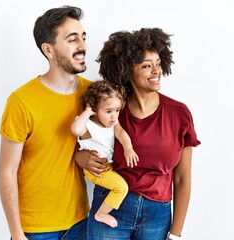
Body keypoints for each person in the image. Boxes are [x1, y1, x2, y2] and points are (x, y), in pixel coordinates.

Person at [75, 28, 201, 240]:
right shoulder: (111, 112)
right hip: (111, 207)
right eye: (146, 66)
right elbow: (82, 142)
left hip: (157, 215)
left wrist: (176, 234)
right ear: (127, 71)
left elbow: (182, 177)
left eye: (158, 64)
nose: (156, 71)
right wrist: (81, 157)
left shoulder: (179, 114)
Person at [0, 6, 107, 240]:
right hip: (34, 229)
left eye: (83, 37)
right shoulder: (21, 101)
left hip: (80, 222)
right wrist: (17, 234)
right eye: (72, 39)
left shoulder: (93, 94)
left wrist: (81, 156)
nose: (83, 46)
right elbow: (7, 172)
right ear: (49, 50)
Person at [71, 80, 139, 228]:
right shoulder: (87, 126)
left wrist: (128, 148)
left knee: (121, 186)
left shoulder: (112, 123)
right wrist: (88, 112)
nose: (114, 117)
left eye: (117, 110)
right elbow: (75, 130)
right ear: (95, 109)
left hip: (107, 167)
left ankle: (102, 212)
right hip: (95, 170)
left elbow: (120, 132)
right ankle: (101, 214)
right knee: (121, 188)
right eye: (108, 111)